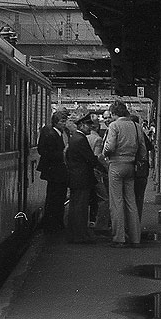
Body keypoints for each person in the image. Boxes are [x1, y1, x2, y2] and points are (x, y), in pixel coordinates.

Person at [103, 100, 141, 247]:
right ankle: (135, 238)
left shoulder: (114, 126)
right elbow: (142, 149)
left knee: (116, 202)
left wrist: (105, 153)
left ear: (113, 113)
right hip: (131, 166)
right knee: (131, 202)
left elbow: (110, 146)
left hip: (116, 165)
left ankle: (119, 238)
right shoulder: (136, 126)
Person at [65, 114, 104, 243]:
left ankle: (74, 234)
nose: (90, 127)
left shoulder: (74, 138)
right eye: (88, 125)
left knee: (75, 207)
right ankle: (80, 236)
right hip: (82, 178)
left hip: (75, 177)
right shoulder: (81, 139)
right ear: (81, 125)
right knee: (81, 208)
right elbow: (90, 158)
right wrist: (102, 167)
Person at [36, 109, 69, 232]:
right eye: (62, 121)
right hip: (54, 171)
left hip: (58, 171)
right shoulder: (49, 133)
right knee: (54, 197)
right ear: (55, 122)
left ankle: (55, 223)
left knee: (58, 197)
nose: (64, 124)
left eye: (65, 121)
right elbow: (43, 151)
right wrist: (62, 155)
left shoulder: (61, 132)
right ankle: (52, 224)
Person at [131, 114, 154, 223]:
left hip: (132, 170)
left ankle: (131, 224)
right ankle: (136, 222)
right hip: (142, 171)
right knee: (139, 197)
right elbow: (150, 147)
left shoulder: (131, 133)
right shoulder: (141, 133)